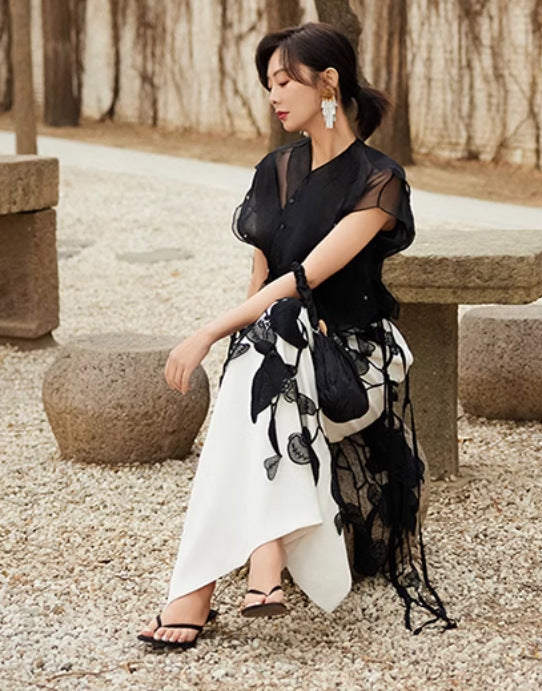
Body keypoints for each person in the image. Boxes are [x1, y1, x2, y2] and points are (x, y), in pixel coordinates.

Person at [138, 22, 453, 650]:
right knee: (270, 334)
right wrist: (239, 334)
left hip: (352, 359)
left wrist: (207, 332)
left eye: (284, 81)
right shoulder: (273, 171)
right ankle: (260, 561)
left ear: (328, 82)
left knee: (276, 329)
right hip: (281, 353)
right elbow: (259, 289)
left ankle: (204, 586)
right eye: (269, 85)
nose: (274, 96)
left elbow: (304, 278)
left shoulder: (379, 179)